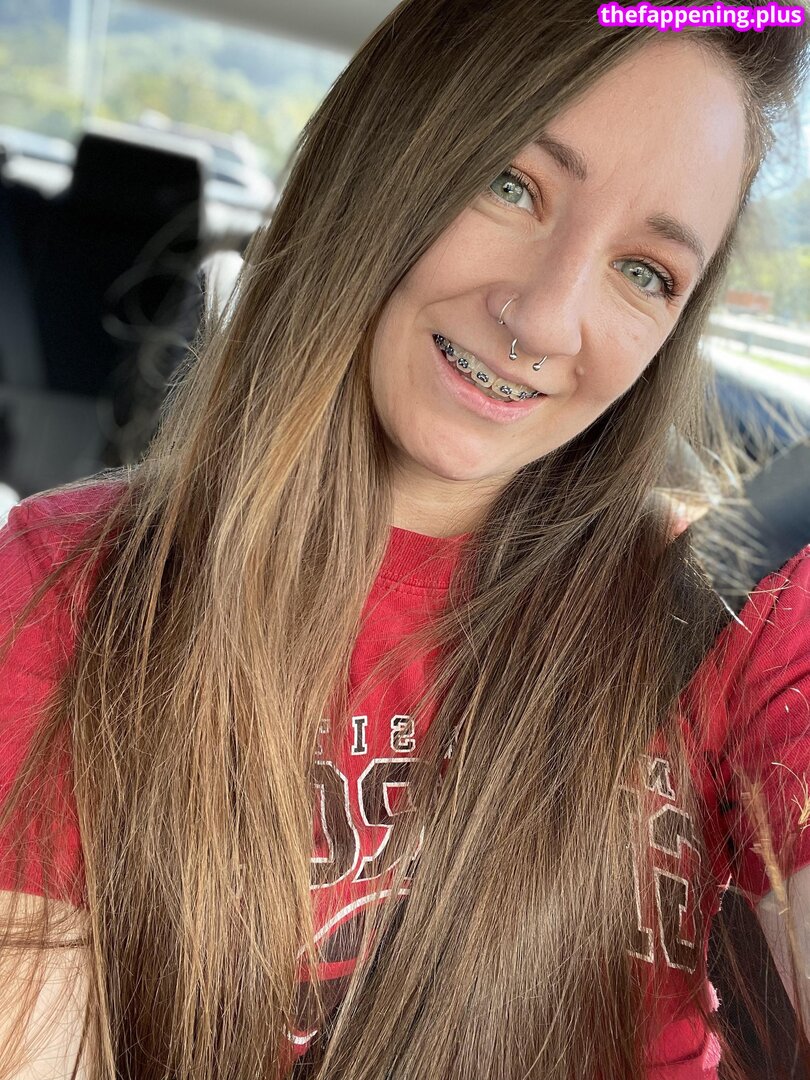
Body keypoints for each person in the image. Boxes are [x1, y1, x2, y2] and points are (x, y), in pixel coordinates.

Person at [0, 1, 809, 1077]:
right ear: (386, 158)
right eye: (511, 184)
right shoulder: (79, 581)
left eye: (645, 271)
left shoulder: (734, 610)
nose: (543, 318)